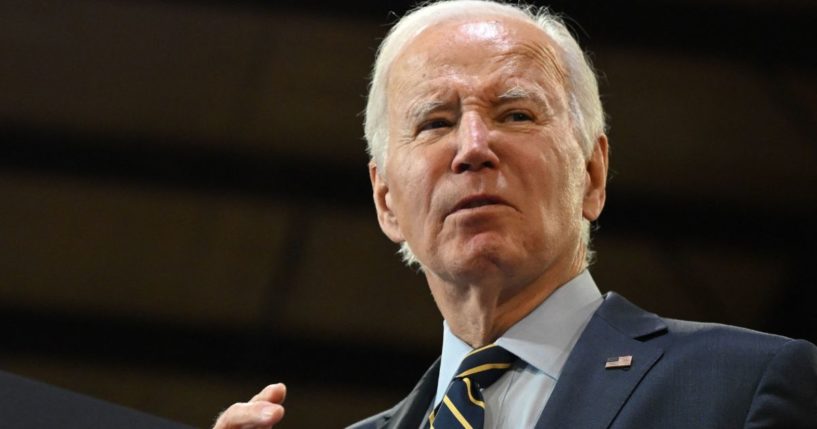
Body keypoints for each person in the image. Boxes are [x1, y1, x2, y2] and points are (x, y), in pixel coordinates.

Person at [212, 1, 817, 428]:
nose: (473, 147)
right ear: (386, 201)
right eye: (435, 123)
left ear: (592, 174)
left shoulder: (744, 384)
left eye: (516, 114)